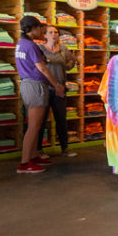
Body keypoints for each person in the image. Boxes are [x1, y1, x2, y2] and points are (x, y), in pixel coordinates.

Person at [16, 16, 65, 174]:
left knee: (35, 125)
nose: (42, 31)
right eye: (40, 28)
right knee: (34, 126)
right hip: (35, 85)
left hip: (27, 84)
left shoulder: (21, 43)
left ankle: (34, 155)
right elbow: (42, 68)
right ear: (34, 28)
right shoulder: (31, 46)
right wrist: (56, 85)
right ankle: (24, 163)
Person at [38, 25, 78, 158]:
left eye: (56, 32)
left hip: (60, 89)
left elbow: (68, 65)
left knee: (61, 119)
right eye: (50, 32)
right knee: (41, 120)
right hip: (45, 89)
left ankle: (65, 148)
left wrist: (73, 62)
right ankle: (38, 150)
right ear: (44, 35)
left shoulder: (63, 49)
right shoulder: (40, 49)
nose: (54, 34)